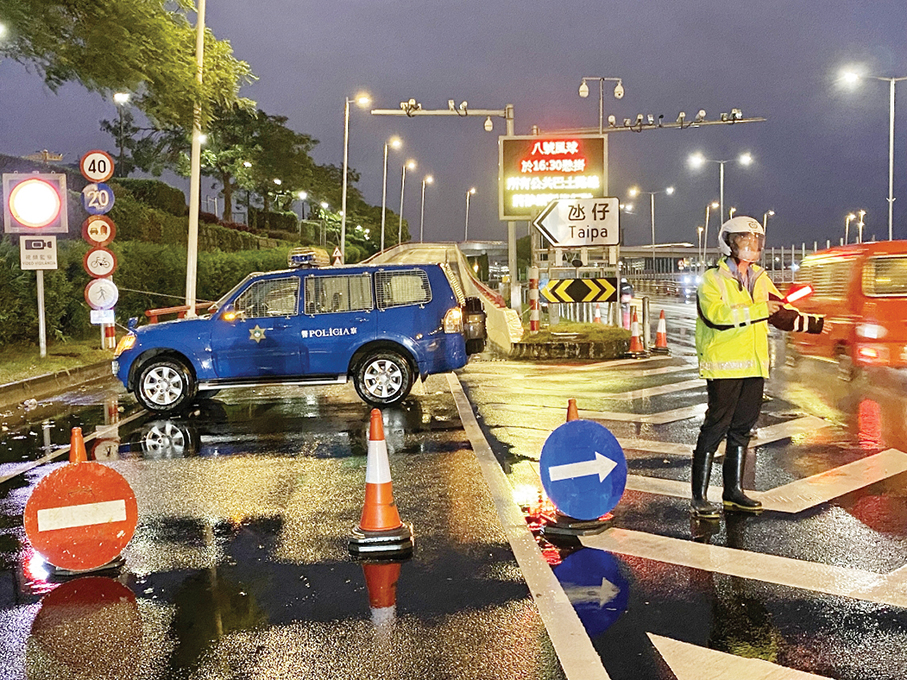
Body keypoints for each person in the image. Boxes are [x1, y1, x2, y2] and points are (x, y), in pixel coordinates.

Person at [691, 216, 822, 519]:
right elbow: (717, 317)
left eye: (756, 241)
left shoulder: (760, 278)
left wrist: (816, 325)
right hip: (723, 367)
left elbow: (781, 313)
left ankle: (733, 493)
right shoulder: (713, 279)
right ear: (728, 243)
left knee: (742, 429)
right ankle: (699, 497)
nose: (751, 246)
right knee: (715, 427)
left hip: (753, 366)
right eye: (744, 241)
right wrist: (760, 309)